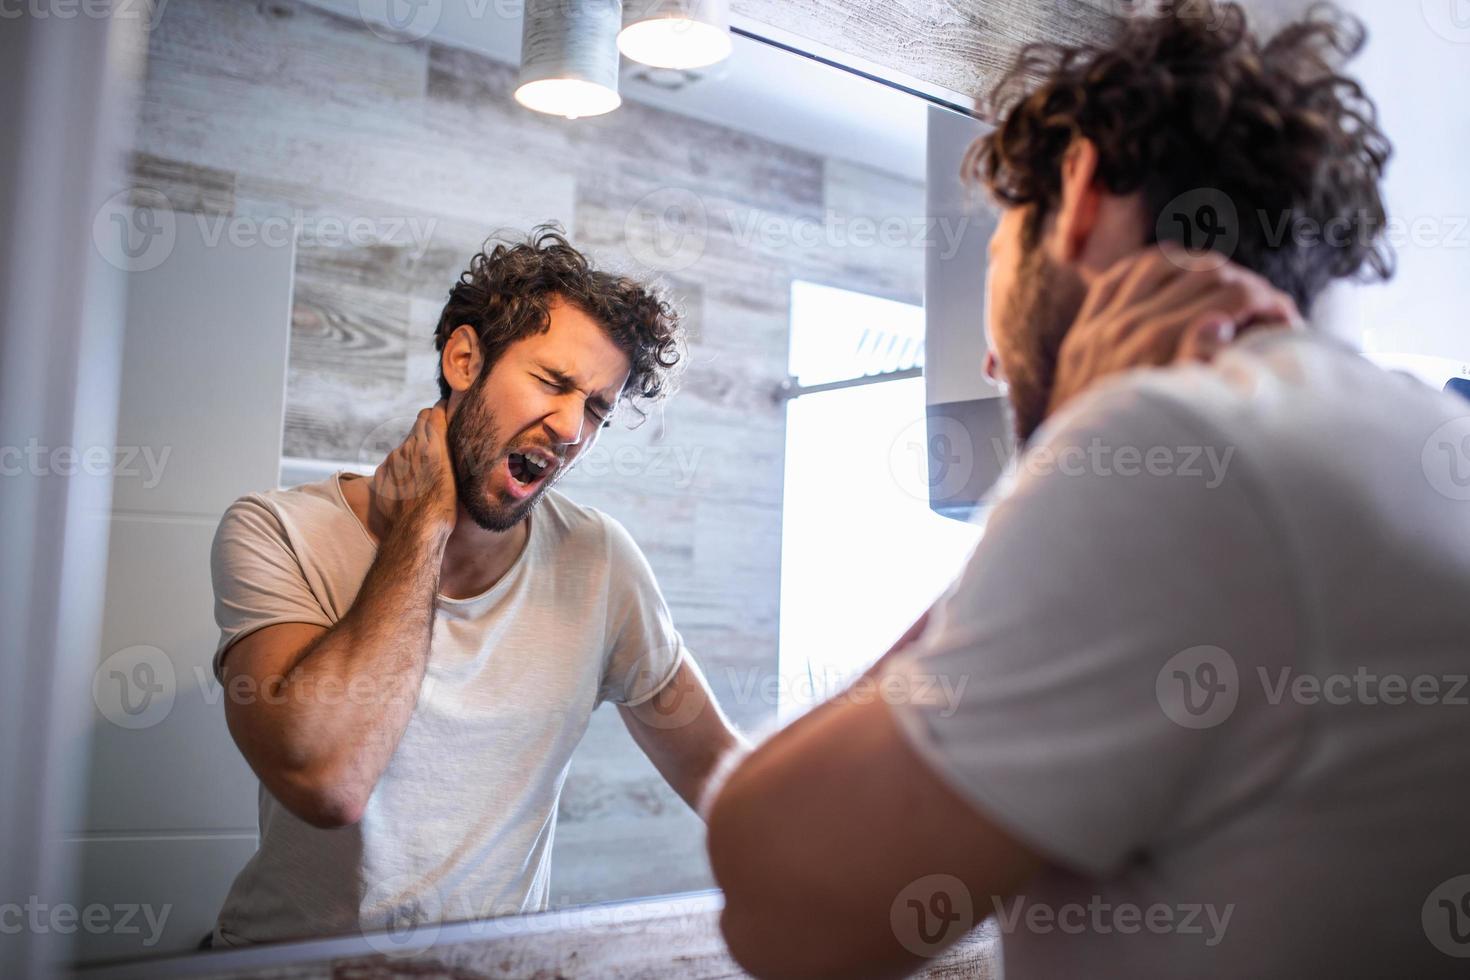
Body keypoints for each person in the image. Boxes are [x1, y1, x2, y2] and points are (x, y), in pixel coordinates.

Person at [705, 4, 1470, 978]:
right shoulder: (1426, 429)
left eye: (996, 255)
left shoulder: (1171, 445)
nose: (989, 352)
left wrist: (1069, 449)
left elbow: (777, 909)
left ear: (1080, 189)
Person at [208, 225, 741, 946]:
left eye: (596, 410)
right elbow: (327, 779)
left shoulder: (600, 562)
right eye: (553, 383)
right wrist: (421, 530)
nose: (571, 429)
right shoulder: (277, 531)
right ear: (464, 358)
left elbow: (724, 777)